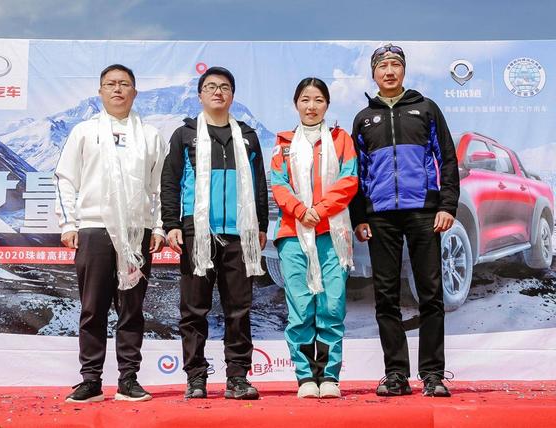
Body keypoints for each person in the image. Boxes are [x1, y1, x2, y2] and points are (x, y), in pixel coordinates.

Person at [350, 44, 459, 397]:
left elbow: (447, 159)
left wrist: (447, 206)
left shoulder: (426, 108)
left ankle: (433, 375)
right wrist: (359, 216)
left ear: (404, 70)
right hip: (381, 217)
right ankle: (396, 374)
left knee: (430, 294)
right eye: (382, 66)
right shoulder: (364, 119)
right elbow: (356, 172)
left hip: (424, 212)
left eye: (395, 64)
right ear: (373, 73)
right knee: (386, 297)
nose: (389, 71)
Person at [55, 64, 166, 403]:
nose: (118, 89)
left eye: (124, 84)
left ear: (135, 92)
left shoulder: (150, 136)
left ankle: (128, 380)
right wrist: (68, 223)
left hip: (136, 232)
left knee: (131, 308)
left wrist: (158, 226)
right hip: (94, 228)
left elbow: (159, 187)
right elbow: (65, 178)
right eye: (111, 84)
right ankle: (90, 380)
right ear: (100, 91)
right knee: (93, 308)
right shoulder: (84, 132)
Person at [160, 66, 268, 400]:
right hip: (197, 233)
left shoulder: (247, 136)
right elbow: (170, 181)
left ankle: (237, 378)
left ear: (232, 95)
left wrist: (261, 226)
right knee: (194, 310)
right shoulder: (185, 135)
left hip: (240, 233)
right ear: (200, 95)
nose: (218, 92)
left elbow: (259, 184)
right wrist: (172, 224)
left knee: (239, 309)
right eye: (210, 87)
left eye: (224, 87)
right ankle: (196, 377)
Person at [270, 78, 358, 399]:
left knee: (332, 305)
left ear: (327, 105)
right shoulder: (282, 143)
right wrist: (300, 211)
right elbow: (278, 184)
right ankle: (306, 377)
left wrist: (318, 210)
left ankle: (329, 376)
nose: (311, 106)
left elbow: (349, 180)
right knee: (301, 306)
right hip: (293, 234)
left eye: (318, 100)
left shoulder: (341, 139)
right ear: (296, 104)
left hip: (332, 233)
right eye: (305, 99)